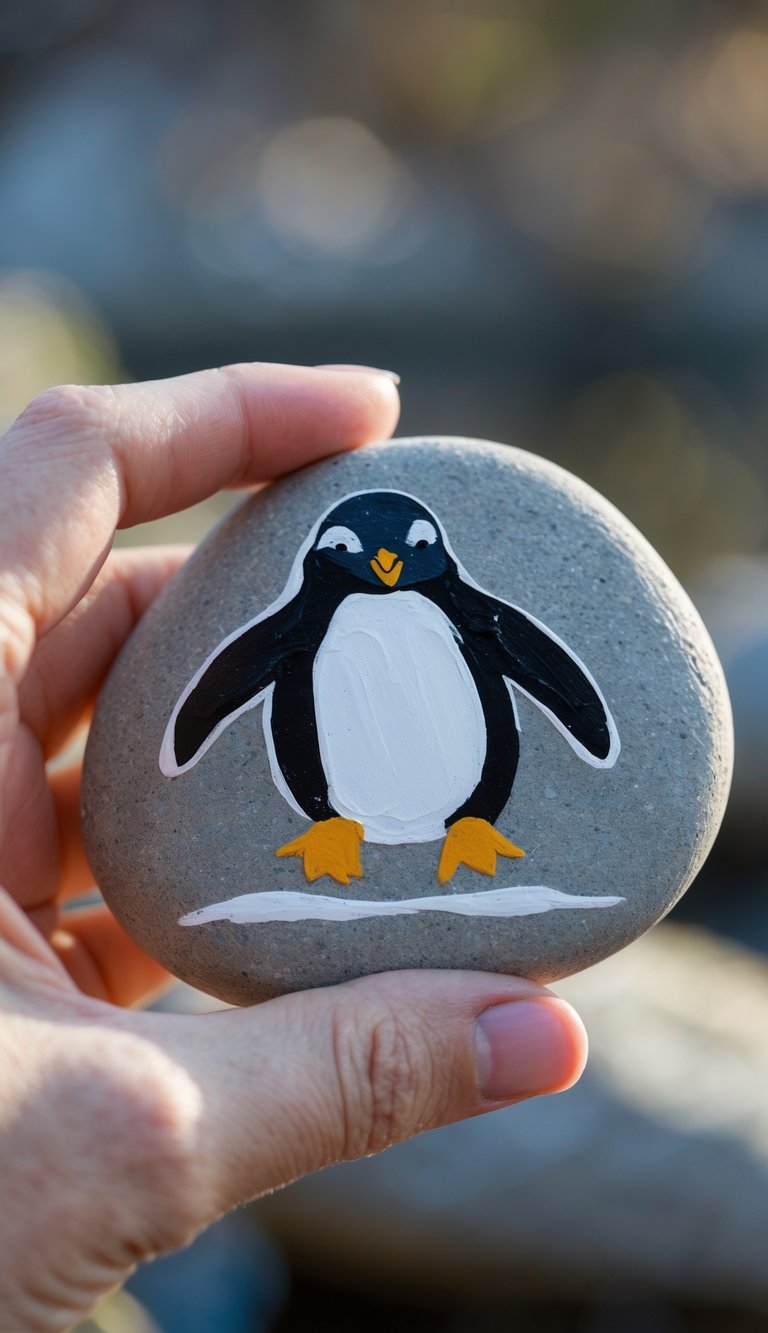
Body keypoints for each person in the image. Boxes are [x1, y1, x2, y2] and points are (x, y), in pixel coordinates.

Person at [0, 362, 587, 1331]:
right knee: (311, 721)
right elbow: (233, 680)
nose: (388, 568)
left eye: (409, 551)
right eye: (362, 553)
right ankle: (333, 825)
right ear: (331, 552)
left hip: (464, 806)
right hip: (340, 811)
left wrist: (591, 726)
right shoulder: (310, 618)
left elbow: (535, 661)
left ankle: (473, 819)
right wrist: (180, 737)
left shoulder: (462, 612)